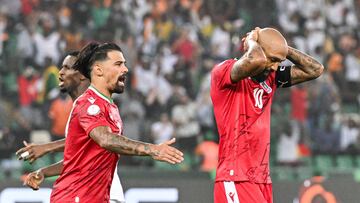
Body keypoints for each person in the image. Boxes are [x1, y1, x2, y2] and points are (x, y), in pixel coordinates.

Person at [49, 42, 182, 203]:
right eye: (118, 64)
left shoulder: (110, 107)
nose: (125, 69)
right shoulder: (88, 103)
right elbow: (105, 139)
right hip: (75, 197)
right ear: (98, 70)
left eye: (124, 64)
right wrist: (152, 149)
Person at [210, 27, 324, 203]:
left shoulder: (270, 77)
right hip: (235, 177)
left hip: (261, 179)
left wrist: (282, 49)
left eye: (279, 61)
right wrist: (251, 42)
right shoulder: (224, 72)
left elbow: (315, 69)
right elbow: (255, 59)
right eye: (272, 60)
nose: (275, 66)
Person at [16, 51, 126, 203]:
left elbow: (101, 140)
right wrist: (43, 172)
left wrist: (47, 147)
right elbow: (77, 161)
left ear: (82, 75)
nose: (60, 72)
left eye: (67, 68)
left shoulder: (94, 104)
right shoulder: (79, 107)